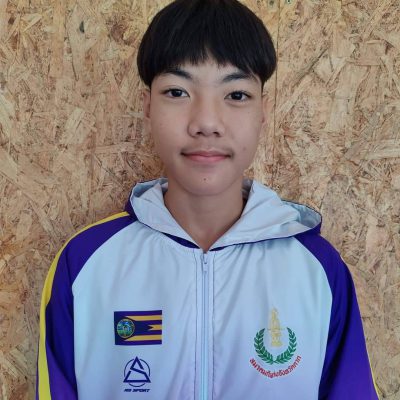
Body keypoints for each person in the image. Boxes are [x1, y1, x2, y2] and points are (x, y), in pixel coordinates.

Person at [36, 0, 380, 399]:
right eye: (177, 91)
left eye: (236, 95)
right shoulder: (85, 263)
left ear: (263, 111)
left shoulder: (317, 270)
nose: (206, 123)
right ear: (147, 106)